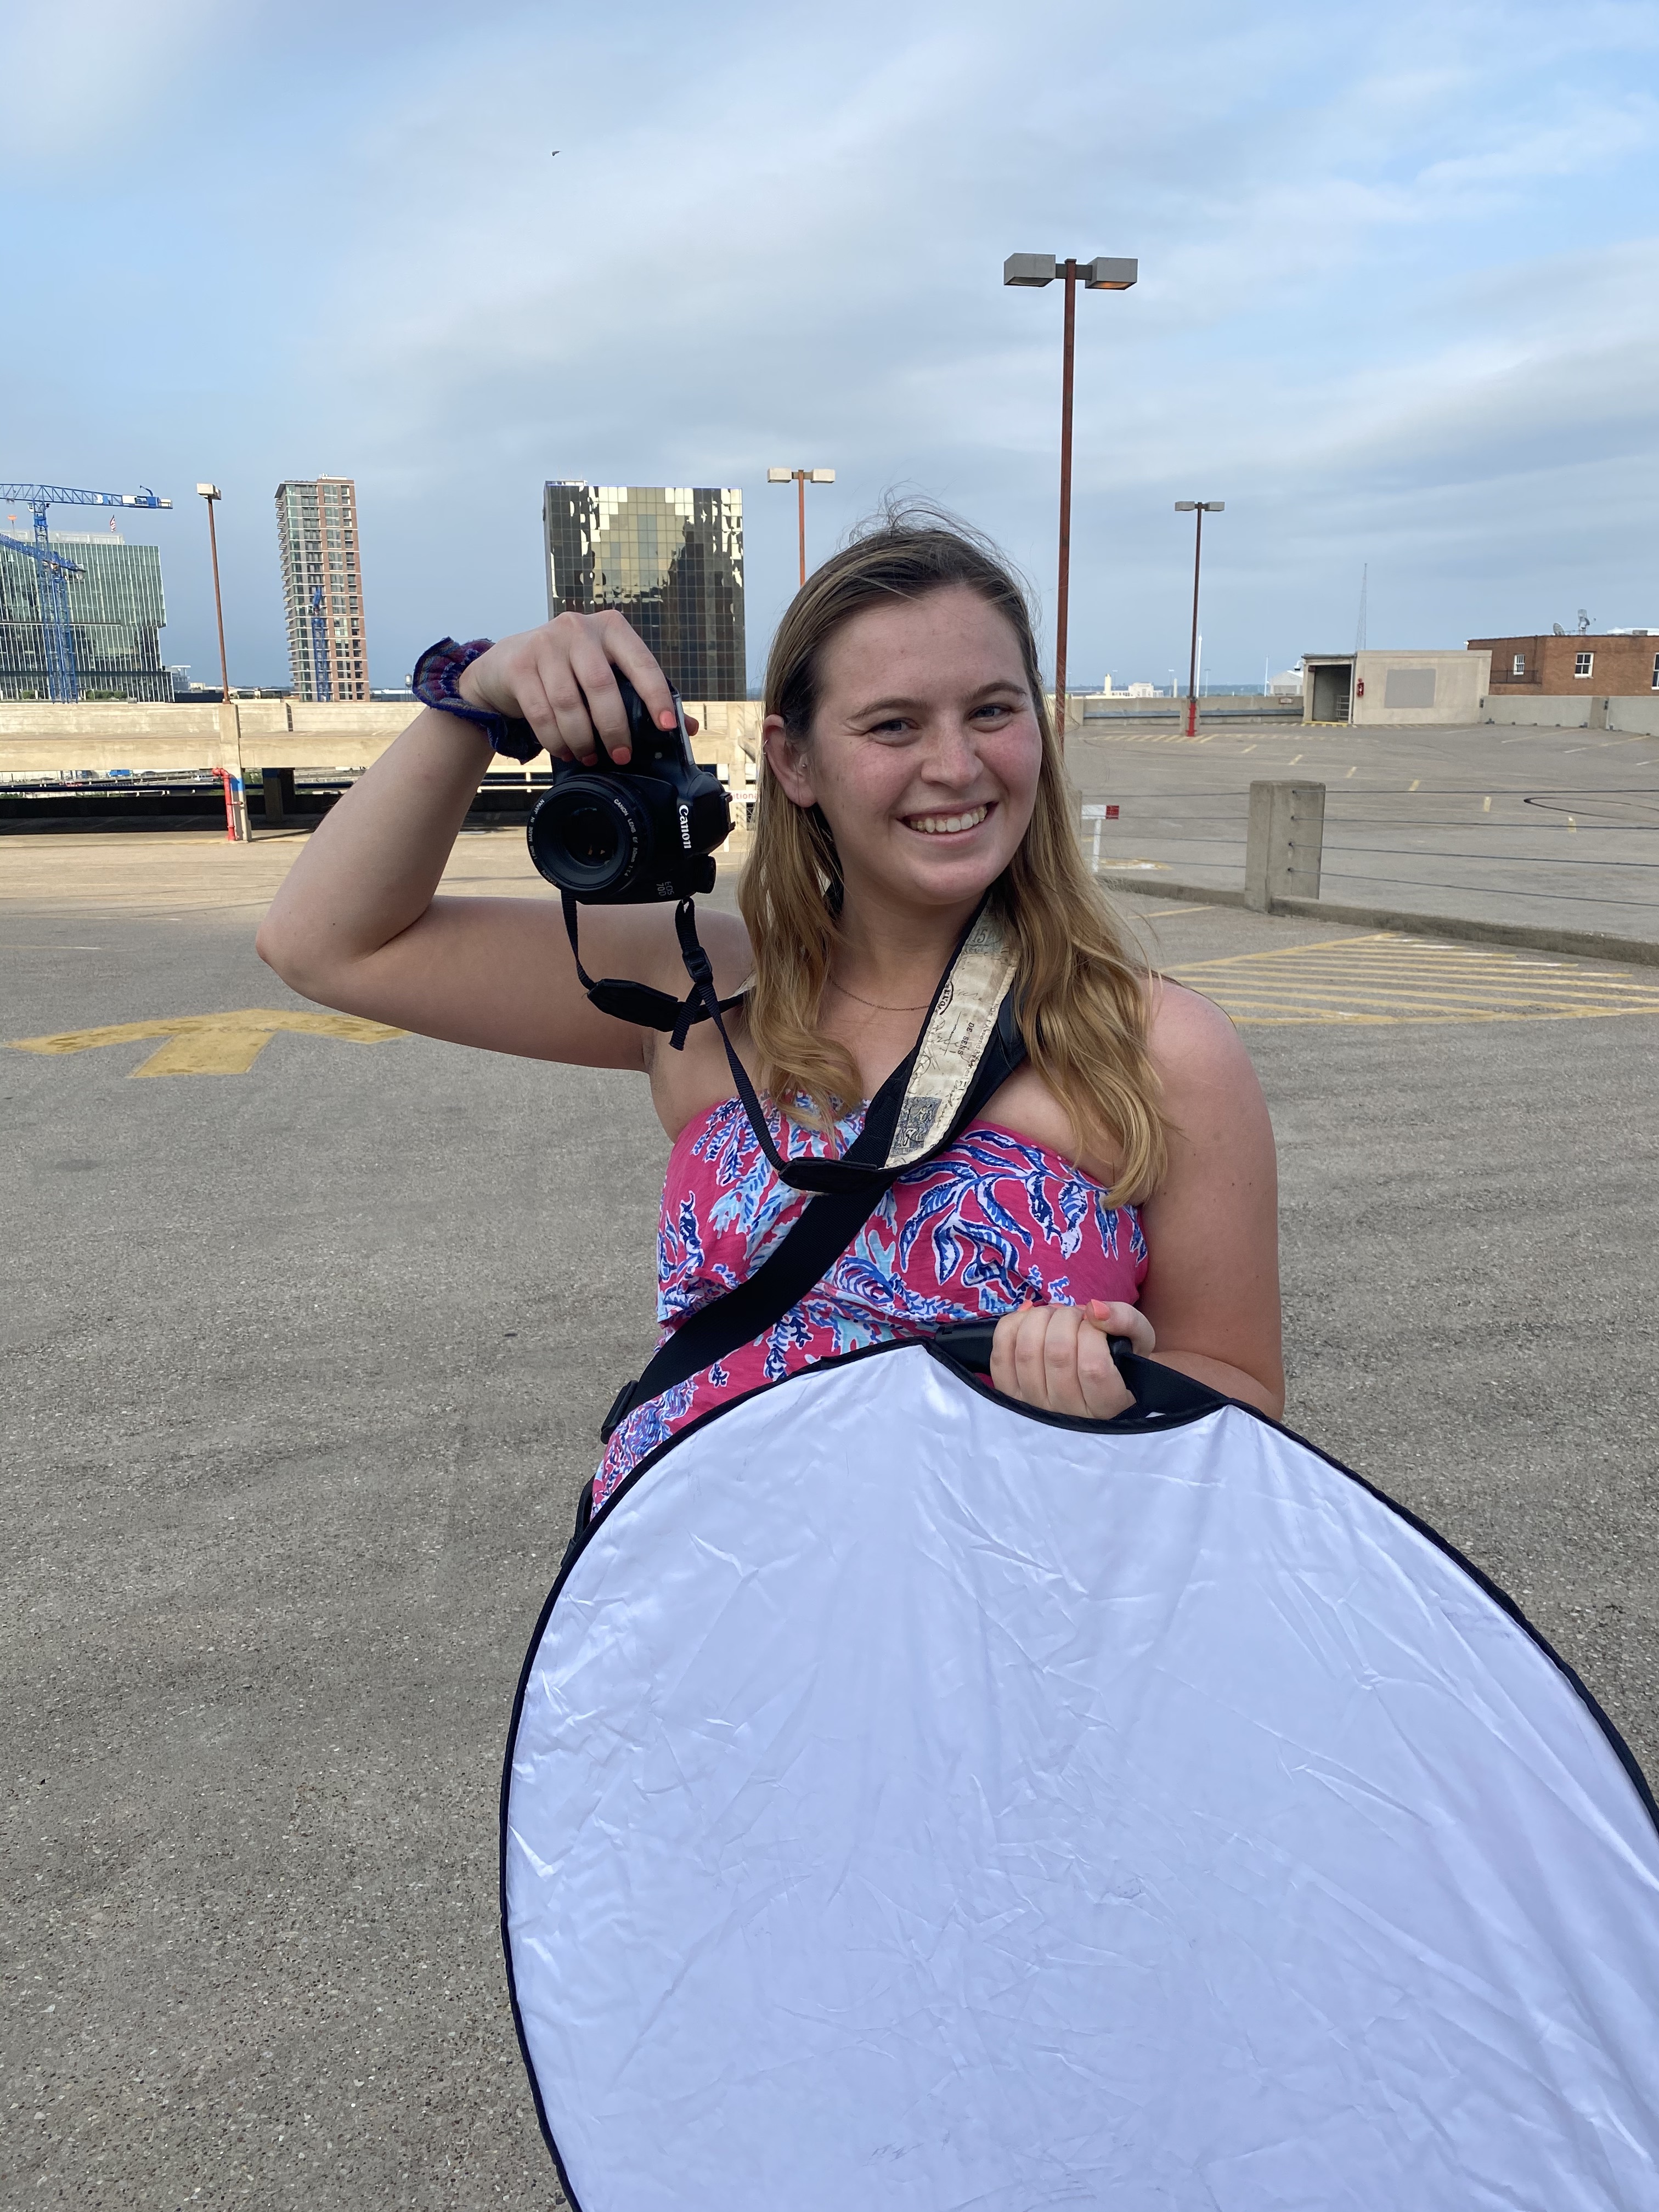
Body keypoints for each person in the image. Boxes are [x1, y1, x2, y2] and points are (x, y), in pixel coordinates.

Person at [256, 515, 1282, 1503]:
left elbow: (1240, 1388)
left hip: (984, 1596)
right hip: (690, 1586)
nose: (956, 766)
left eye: (993, 711)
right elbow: (326, 943)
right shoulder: (706, 988)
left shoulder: (1158, 1048)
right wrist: (475, 693)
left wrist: (1116, 1395)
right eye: (893, 724)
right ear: (794, 761)